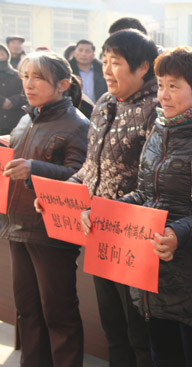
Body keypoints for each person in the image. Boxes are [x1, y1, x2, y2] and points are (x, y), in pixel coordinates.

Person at [82, 46, 192, 367]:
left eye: (174, 86)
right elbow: (145, 195)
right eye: (160, 85)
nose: (163, 95)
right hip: (154, 277)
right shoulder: (160, 132)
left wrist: (177, 234)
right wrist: (105, 212)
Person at [70, 30, 158, 367]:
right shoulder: (106, 102)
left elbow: (155, 181)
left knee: (138, 331)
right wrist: (66, 191)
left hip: (135, 235)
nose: (106, 70)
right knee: (113, 327)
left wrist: (116, 208)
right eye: (104, 61)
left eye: (116, 63)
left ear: (142, 67)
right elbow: (91, 165)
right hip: (99, 230)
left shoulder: (156, 108)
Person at [0, 51, 89, 367]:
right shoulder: (27, 117)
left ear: (63, 84)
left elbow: (80, 177)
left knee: (58, 312)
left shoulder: (78, 124)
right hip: (17, 224)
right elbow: (19, 154)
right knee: (26, 310)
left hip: (52, 230)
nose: (28, 84)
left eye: (37, 77)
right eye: (25, 76)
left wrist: (35, 168)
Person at [69, 40, 108, 104]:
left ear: (93, 55)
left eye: (87, 51)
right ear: (75, 53)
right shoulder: (69, 70)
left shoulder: (102, 70)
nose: (83, 54)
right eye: (80, 50)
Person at [0, 44, 25, 135]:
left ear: (7, 55)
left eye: (2, 53)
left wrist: (13, 101)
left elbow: (26, 94)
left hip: (15, 122)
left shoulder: (19, 76)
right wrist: (2, 101)